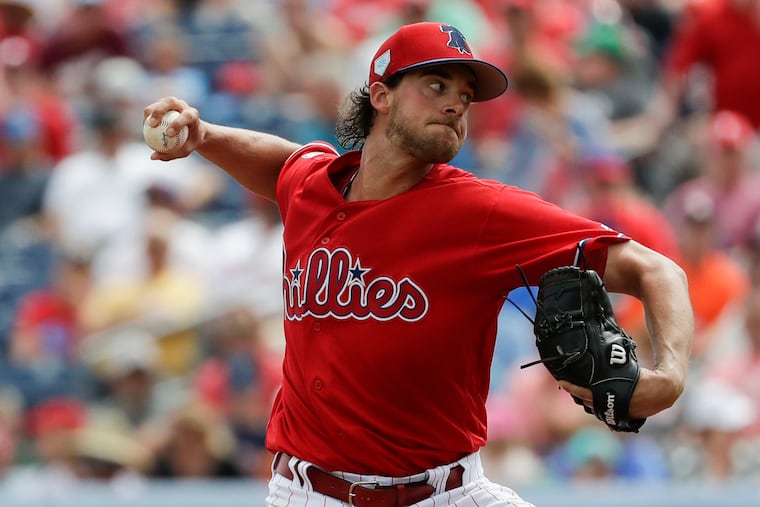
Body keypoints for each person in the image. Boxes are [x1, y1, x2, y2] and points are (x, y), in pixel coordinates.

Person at [144, 21, 693, 507]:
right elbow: (283, 166)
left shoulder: (480, 211)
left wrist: (668, 376)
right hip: (308, 493)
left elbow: (657, 270)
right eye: (436, 86)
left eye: (465, 95)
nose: (456, 104)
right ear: (380, 95)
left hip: (445, 492)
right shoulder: (317, 183)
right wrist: (206, 136)